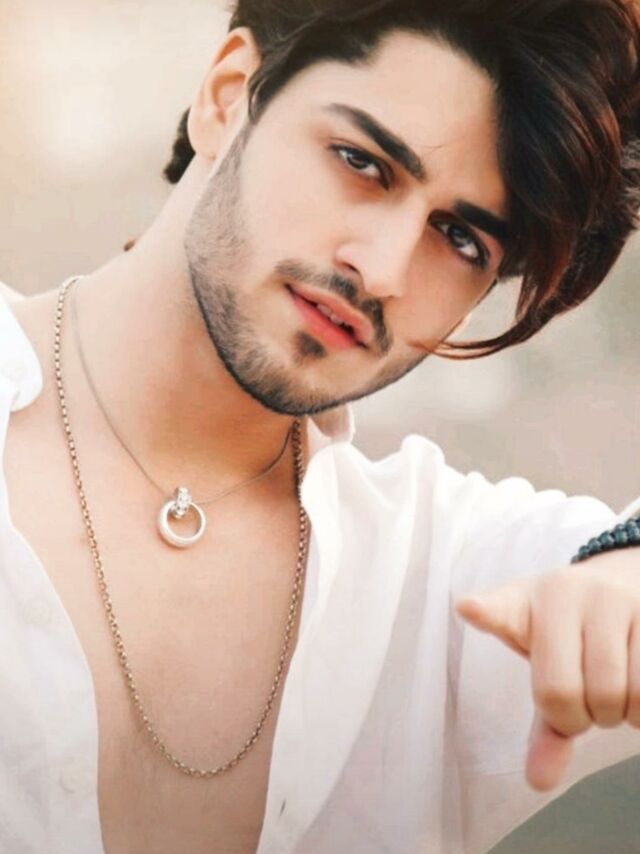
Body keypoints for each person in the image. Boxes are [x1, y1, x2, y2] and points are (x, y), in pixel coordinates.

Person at [1, 1, 640, 851]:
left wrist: (627, 563)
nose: (381, 270)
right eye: (363, 163)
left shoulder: (442, 581)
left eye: (459, 239)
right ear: (229, 94)